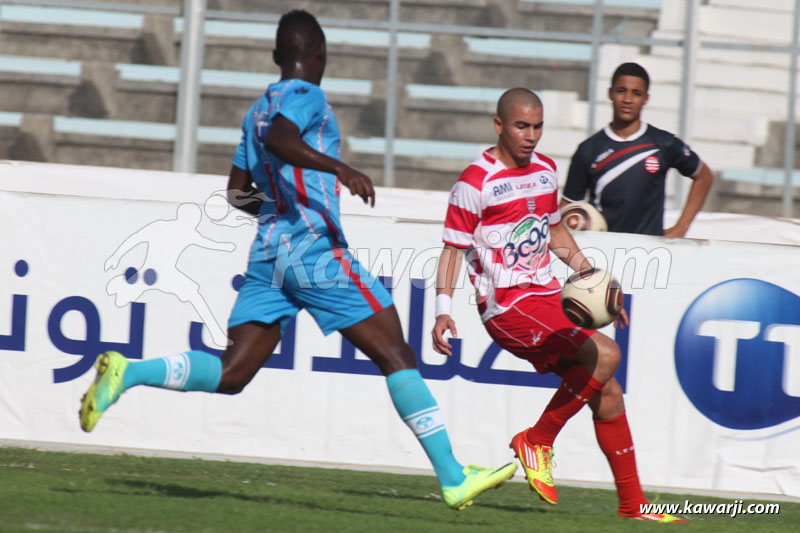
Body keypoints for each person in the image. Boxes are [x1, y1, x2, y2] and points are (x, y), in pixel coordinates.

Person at [79, 9, 515, 511]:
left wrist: (281, 211)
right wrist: (341, 168)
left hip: (269, 254)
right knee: (397, 356)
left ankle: (128, 373)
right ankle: (454, 476)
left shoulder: (256, 108)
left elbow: (237, 194)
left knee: (232, 373)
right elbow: (280, 141)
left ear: (275, 56)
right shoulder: (308, 97)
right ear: (320, 56)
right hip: (315, 253)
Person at [431, 88, 685, 522]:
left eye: (537, 126)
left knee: (608, 391)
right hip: (507, 305)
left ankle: (633, 505)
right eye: (521, 126)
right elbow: (453, 250)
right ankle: (538, 440)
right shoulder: (475, 183)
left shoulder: (546, 171)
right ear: (499, 126)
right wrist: (442, 310)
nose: (531, 135)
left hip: (547, 295)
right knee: (607, 354)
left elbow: (554, 235)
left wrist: (593, 281)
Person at [561, 62, 713, 237]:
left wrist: (681, 228)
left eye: (636, 93)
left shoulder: (663, 143)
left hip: (649, 254)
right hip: (603, 252)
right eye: (621, 91)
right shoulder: (588, 150)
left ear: (646, 99)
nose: (627, 99)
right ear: (610, 93)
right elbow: (568, 205)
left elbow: (704, 176)